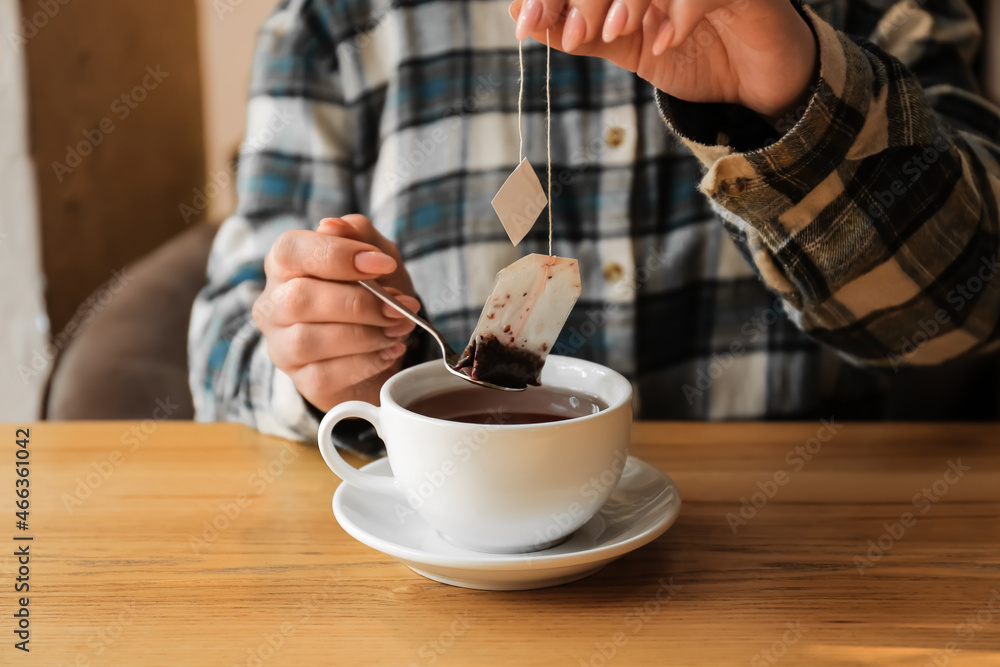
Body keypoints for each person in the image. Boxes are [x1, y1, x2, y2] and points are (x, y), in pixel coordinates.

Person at [189, 0, 1000, 449]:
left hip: (790, 563)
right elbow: (226, 336)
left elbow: (973, 304)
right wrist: (331, 364)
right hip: (454, 570)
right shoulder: (337, 22)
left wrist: (798, 95)